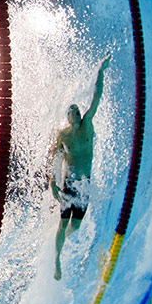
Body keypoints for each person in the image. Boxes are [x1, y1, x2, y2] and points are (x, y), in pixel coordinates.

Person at [49, 55, 111, 280]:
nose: (75, 112)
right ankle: (56, 261)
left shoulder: (88, 125)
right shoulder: (63, 135)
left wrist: (101, 71)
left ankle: (60, 242)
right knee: (63, 221)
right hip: (69, 183)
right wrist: (52, 183)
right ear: (67, 117)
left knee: (75, 225)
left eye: (77, 110)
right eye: (71, 111)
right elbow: (55, 159)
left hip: (85, 183)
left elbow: (97, 96)